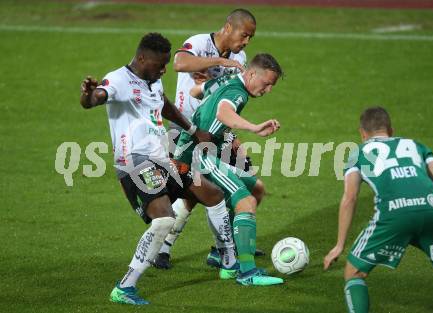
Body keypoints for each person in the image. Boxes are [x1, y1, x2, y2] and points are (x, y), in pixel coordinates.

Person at [80, 32, 233, 305]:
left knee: (213, 194)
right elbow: (97, 97)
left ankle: (230, 262)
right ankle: (125, 287)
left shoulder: (153, 79)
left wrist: (193, 129)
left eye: (165, 64)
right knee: (163, 220)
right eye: (159, 64)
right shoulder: (118, 80)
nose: (164, 70)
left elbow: (164, 105)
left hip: (162, 159)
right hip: (135, 162)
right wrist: (89, 95)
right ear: (141, 58)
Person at [154, 8, 265, 270]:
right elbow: (180, 63)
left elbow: (225, 97)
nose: (246, 41)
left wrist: (232, 136)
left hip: (216, 132)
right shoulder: (200, 42)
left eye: (251, 37)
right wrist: (220, 62)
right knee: (190, 191)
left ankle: (222, 248)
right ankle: (163, 248)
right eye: (244, 34)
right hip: (184, 130)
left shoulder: (240, 56)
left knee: (246, 184)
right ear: (228, 27)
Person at [173, 53, 284, 286]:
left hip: (206, 149)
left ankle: (224, 251)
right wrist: (254, 128)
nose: (268, 90)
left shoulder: (228, 80)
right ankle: (246, 272)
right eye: (267, 84)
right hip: (197, 153)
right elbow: (224, 112)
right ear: (252, 73)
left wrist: (203, 115)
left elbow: (195, 92)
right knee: (246, 201)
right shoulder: (238, 92)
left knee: (256, 190)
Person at [323, 107, 433, 313]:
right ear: (391, 130)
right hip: (432, 209)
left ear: (362, 133)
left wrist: (339, 245)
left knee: (353, 272)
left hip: (394, 216)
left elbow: (350, 198)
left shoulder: (358, 153)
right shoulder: (415, 145)